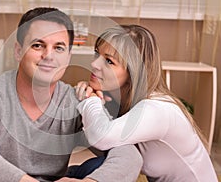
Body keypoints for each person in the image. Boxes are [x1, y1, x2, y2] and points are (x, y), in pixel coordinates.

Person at [0, 7, 143, 182]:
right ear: (18, 51)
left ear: (68, 57)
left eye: (59, 48)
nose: (48, 56)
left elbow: (129, 155)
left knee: (99, 166)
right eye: (38, 45)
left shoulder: (75, 101)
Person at [75, 24, 218, 182]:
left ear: (134, 71)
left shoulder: (156, 109)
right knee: (91, 167)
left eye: (109, 61)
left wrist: (91, 100)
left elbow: (101, 138)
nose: (95, 64)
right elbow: (104, 146)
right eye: (97, 54)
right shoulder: (121, 102)